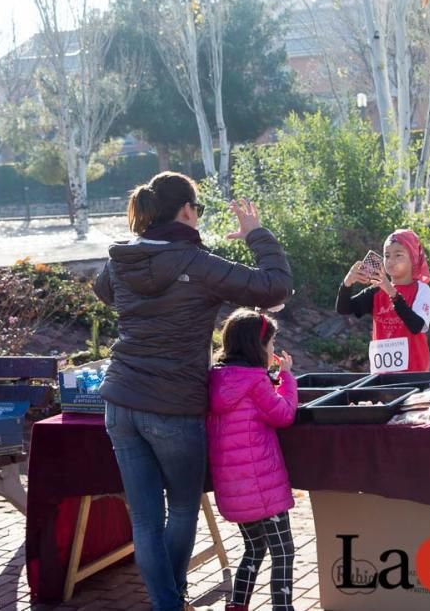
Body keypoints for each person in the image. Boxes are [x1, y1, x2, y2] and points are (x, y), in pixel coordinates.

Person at [93, 171, 292, 611]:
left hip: (120, 401)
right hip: (172, 404)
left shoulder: (122, 258)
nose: (197, 217)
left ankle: (168, 604)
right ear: (186, 211)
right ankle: (172, 602)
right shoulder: (195, 264)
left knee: (145, 519)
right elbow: (274, 286)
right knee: (181, 509)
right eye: (197, 210)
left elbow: (103, 290)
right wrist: (257, 235)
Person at [208, 309, 297, 611]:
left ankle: (237, 605)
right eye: (271, 343)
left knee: (254, 547)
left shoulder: (215, 379)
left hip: (234, 489)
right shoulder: (256, 381)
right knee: (283, 551)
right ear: (257, 346)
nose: (273, 350)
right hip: (263, 488)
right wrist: (286, 378)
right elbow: (283, 414)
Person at [336, 228, 430, 372]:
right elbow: (344, 308)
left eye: (398, 255)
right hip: (382, 373)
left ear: (413, 258)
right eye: (387, 255)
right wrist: (347, 282)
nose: (391, 261)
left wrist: (391, 291)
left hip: (414, 371)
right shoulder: (376, 290)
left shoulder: (422, 289)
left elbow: (416, 326)